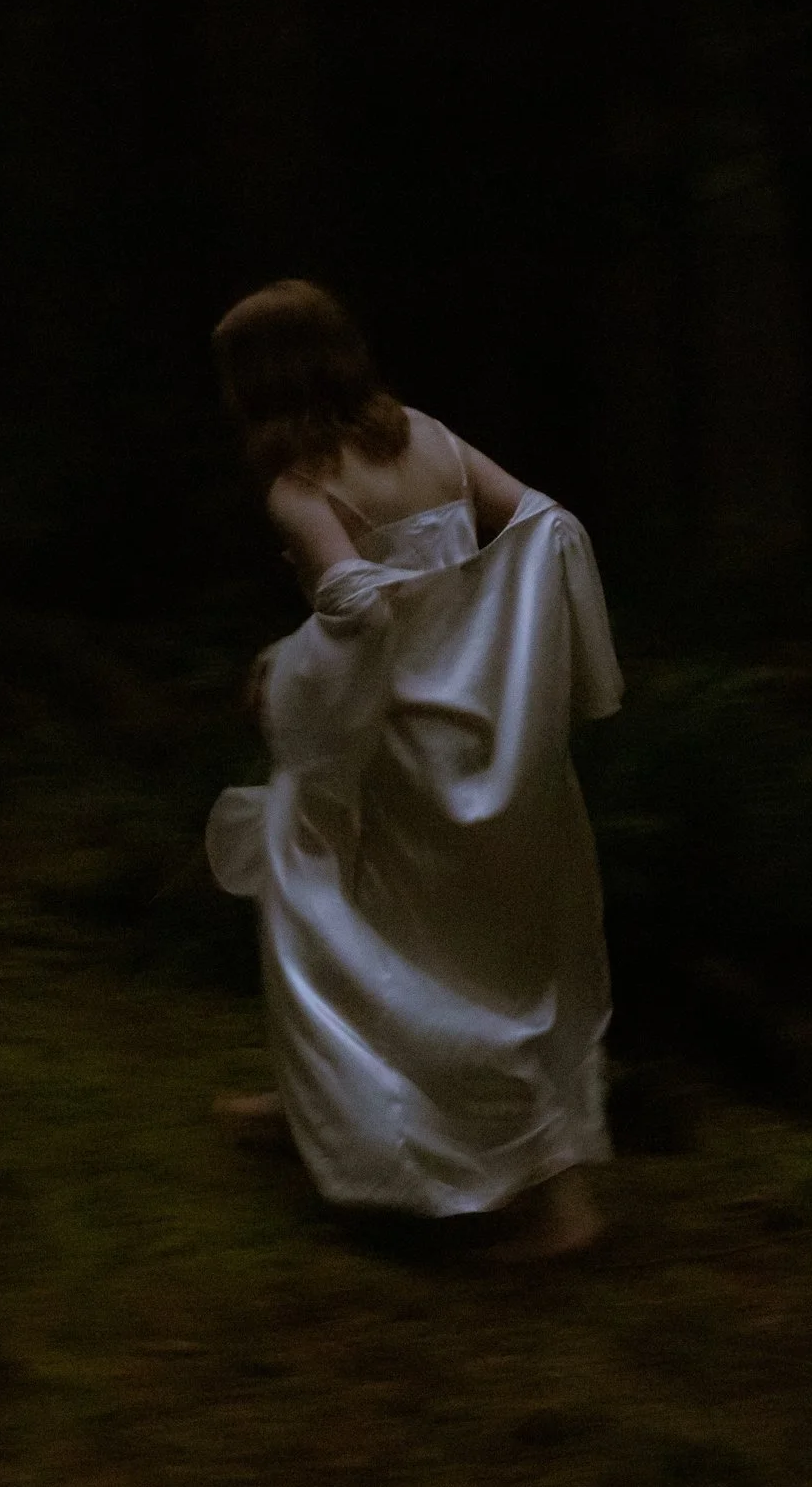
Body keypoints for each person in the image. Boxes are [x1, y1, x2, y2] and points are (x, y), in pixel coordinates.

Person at [203, 279, 622, 1261]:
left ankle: (558, 1199)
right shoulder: (428, 437)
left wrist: (284, 667)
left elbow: (362, 608)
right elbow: (543, 523)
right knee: (456, 947)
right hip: (486, 737)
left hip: (399, 751)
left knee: (341, 915)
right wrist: (490, 650)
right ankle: (314, 1105)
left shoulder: (300, 489)